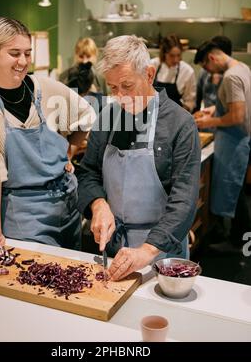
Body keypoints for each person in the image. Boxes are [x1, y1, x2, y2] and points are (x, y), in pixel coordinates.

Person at [0, 17, 96, 252]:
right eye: (14, 53)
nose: (22, 61)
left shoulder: (44, 87)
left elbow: (86, 115)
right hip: (22, 218)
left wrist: (68, 153)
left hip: (67, 209)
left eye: (27, 54)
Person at [77, 35, 201, 281]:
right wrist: (98, 204)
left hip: (162, 255)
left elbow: (184, 200)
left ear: (149, 75)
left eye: (127, 86)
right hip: (113, 250)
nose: (120, 96)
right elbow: (88, 172)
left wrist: (146, 250)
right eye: (113, 88)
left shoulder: (180, 124)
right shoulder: (108, 117)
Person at [194, 41, 251, 250]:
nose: (208, 72)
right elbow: (235, 105)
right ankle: (239, 237)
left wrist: (208, 122)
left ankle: (237, 242)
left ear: (211, 58)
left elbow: (237, 115)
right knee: (238, 190)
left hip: (235, 140)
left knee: (233, 191)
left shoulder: (230, 77)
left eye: (205, 67)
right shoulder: (242, 67)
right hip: (241, 139)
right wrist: (213, 110)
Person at [150, 34, 196, 112]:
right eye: (171, 56)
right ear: (164, 53)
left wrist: (179, 116)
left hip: (175, 116)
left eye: (178, 55)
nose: (176, 60)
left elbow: (190, 101)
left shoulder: (187, 71)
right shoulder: (152, 65)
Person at [195, 36, 233, 113]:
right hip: (207, 119)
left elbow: (234, 112)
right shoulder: (204, 72)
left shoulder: (231, 76)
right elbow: (198, 98)